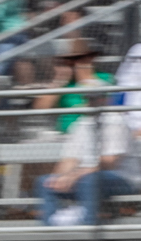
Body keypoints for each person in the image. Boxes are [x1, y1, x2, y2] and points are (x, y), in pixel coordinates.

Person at [37, 93, 140, 226]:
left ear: (105, 99)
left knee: (90, 180)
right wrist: (59, 177)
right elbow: (69, 159)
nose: (91, 102)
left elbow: (109, 162)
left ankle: (88, 227)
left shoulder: (116, 121)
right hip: (85, 176)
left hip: (122, 179)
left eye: (96, 97)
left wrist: (74, 176)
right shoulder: (81, 124)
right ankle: (50, 229)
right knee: (45, 181)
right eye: (88, 98)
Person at [34, 38, 114, 133]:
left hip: (98, 131)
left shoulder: (105, 78)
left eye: (78, 60)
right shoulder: (65, 85)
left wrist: (85, 76)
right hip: (68, 136)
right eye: (67, 61)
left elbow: (111, 103)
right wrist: (59, 81)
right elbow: (40, 108)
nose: (73, 64)